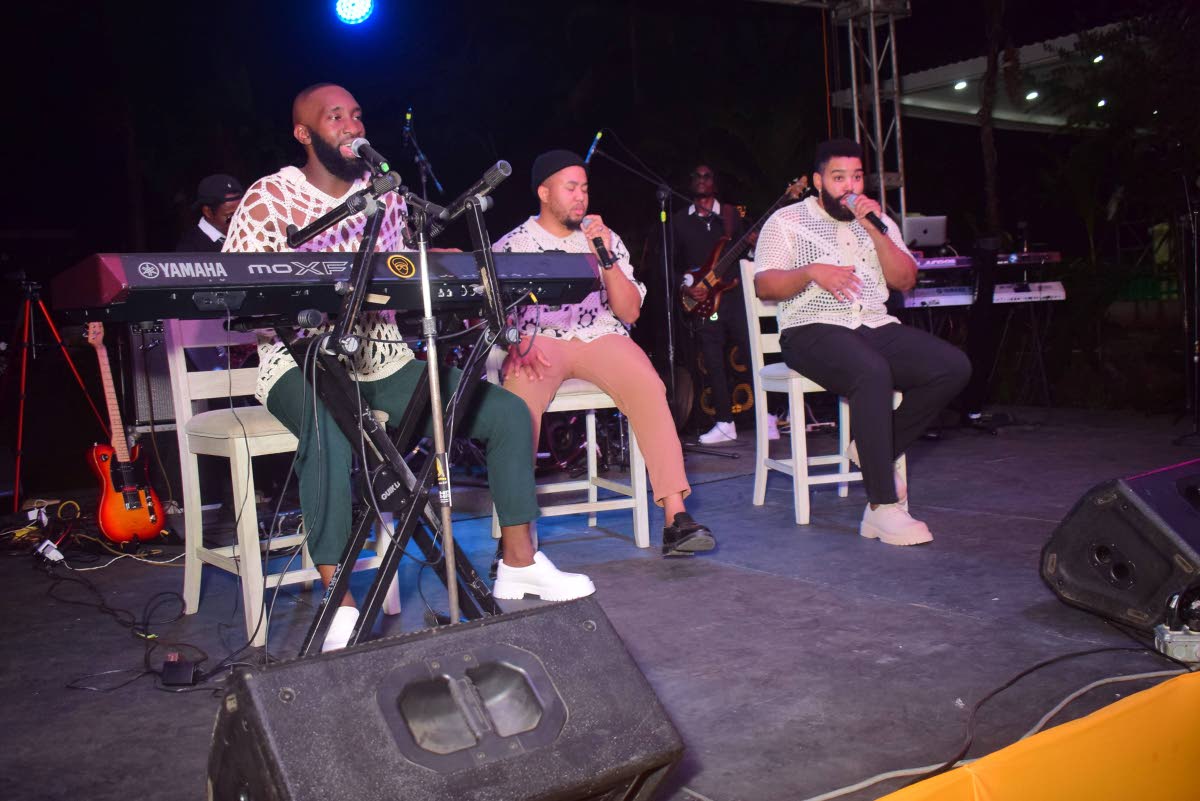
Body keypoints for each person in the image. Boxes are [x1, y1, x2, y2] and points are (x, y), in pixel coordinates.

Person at [222, 85, 593, 650]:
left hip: (384, 360)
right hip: (299, 361)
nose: (351, 124)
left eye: (356, 114)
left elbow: (401, 275)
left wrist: (454, 275)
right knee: (331, 429)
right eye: (335, 116)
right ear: (305, 133)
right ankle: (338, 601)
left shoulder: (386, 194)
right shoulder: (270, 198)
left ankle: (519, 564)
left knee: (507, 414)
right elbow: (234, 292)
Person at [494, 149, 716, 557]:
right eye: (571, 187)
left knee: (649, 384)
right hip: (540, 339)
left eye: (585, 188)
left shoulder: (604, 240)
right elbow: (492, 314)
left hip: (600, 334)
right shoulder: (513, 244)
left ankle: (676, 517)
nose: (581, 197)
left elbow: (629, 310)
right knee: (516, 407)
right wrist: (513, 343)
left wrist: (605, 255)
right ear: (544, 192)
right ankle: (514, 538)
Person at [752, 139, 971, 546]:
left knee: (953, 366)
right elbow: (764, 285)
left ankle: (871, 447)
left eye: (856, 177)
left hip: (872, 323)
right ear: (818, 181)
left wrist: (874, 228)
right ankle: (882, 508)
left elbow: (905, 280)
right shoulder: (787, 221)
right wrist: (812, 272)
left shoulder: (875, 219)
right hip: (810, 327)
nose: (849, 186)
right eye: (839, 178)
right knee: (872, 371)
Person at [672, 164, 777, 445]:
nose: (703, 180)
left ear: (714, 182)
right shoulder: (680, 221)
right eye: (697, 176)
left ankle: (767, 417)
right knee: (714, 361)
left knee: (753, 353)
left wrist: (754, 244)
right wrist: (686, 286)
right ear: (690, 182)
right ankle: (723, 422)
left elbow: (754, 255)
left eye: (708, 176)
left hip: (736, 296)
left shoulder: (731, 216)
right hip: (705, 301)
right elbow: (671, 264)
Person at [177, 174, 244, 251]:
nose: (239, 219)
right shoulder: (190, 250)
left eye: (241, 213)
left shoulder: (248, 235)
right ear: (208, 212)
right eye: (230, 215)